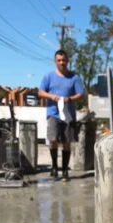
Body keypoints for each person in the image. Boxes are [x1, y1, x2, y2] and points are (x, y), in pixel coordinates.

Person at [38, 50, 85, 182]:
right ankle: (54, 166)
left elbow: (80, 94)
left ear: (67, 61)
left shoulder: (74, 77)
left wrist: (69, 99)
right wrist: (51, 96)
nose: (62, 63)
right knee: (53, 140)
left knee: (67, 142)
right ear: (55, 62)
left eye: (64, 60)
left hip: (68, 115)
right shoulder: (48, 77)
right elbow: (41, 92)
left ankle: (65, 170)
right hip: (53, 113)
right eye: (59, 60)